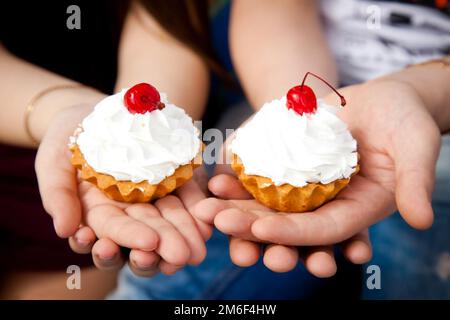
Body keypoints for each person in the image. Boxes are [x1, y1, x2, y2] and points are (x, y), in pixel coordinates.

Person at [193, 0, 450, 299]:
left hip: (430, 117)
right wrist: (294, 132)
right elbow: (273, 12)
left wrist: (423, 92)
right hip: (308, 94)